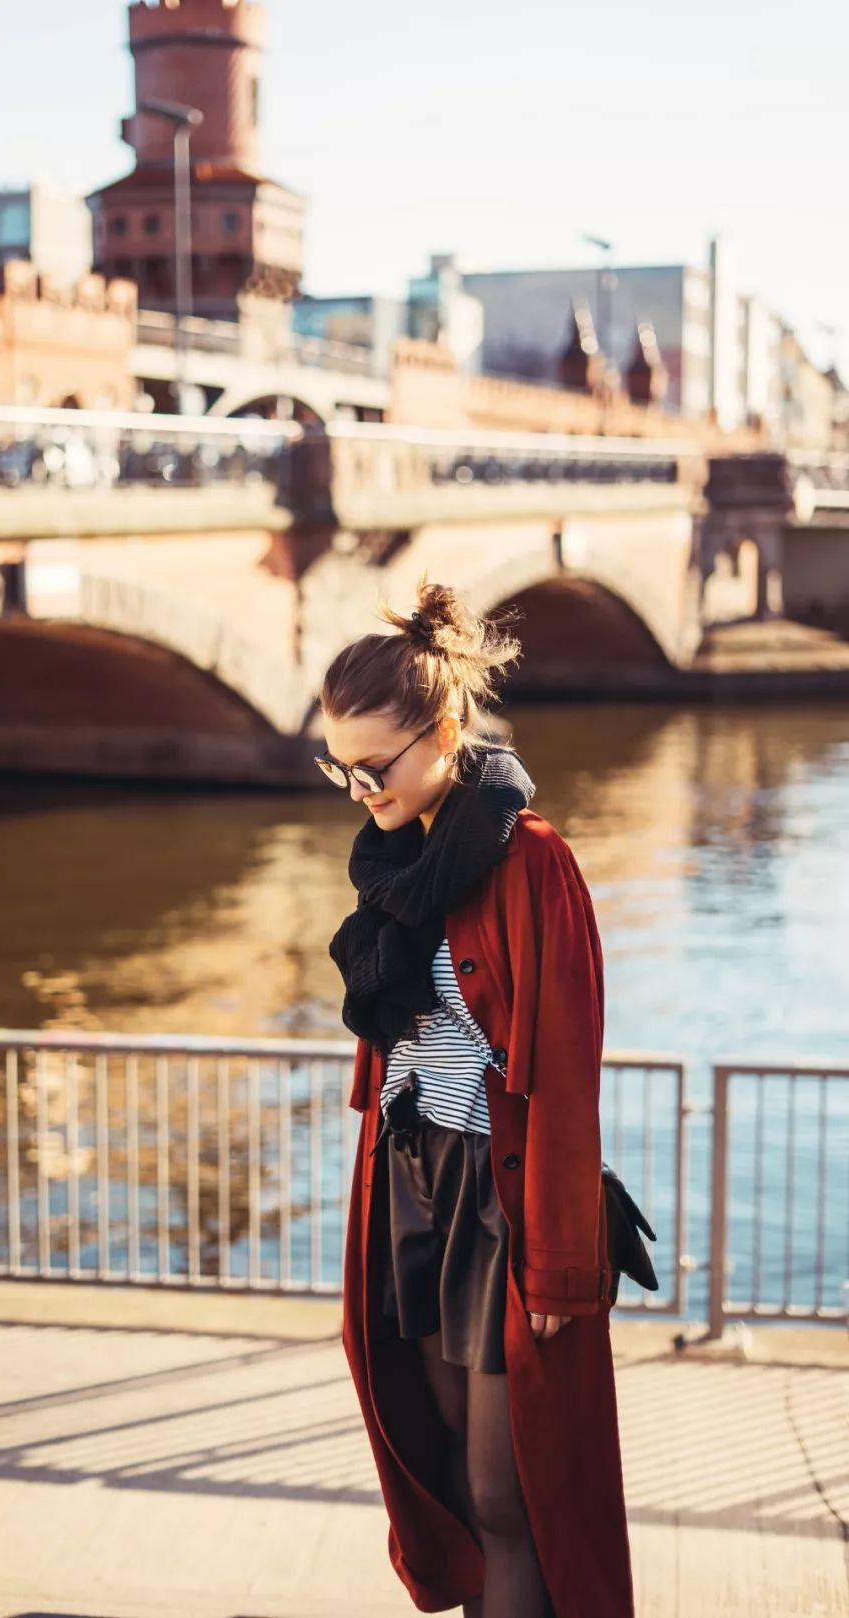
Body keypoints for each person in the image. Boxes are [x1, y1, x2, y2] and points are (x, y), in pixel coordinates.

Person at [317, 575, 634, 1618]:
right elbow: (392, 1041)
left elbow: (564, 1073)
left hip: (501, 1202)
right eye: (341, 769)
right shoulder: (396, 857)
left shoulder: (532, 860)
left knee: (511, 1494)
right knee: (447, 1465)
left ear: (446, 730)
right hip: (411, 1184)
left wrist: (560, 1261)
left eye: (376, 766)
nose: (361, 790)